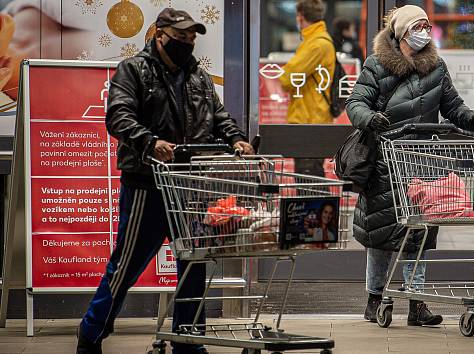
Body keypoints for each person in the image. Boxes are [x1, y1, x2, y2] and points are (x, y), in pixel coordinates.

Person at [76, 8, 254, 354]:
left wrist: (236, 139)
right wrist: (149, 142)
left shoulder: (198, 76)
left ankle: (188, 341)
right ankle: (92, 330)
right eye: (180, 36)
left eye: (191, 38)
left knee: (194, 264)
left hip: (190, 184)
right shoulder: (134, 70)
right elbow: (118, 116)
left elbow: (219, 117)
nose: (187, 43)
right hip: (147, 184)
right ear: (159, 35)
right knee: (127, 264)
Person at [345, 5, 474, 327]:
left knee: (419, 235)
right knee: (381, 234)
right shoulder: (377, 64)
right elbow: (355, 103)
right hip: (385, 159)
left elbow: (452, 106)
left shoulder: (436, 67)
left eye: (427, 25)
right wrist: (369, 118)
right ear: (401, 31)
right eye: (418, 25)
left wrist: (471, 118)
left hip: (423, 162)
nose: (424, 30)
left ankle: (416, 302)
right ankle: (375, 298)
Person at [279, 0, 335, 177]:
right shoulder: (316, 40)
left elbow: (287, 78)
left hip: (310, 119)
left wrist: (286, 73)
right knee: (310, 180)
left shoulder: (316, 44)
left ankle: (320, 206)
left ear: (300, 16)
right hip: (312, 117)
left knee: (308, 179)